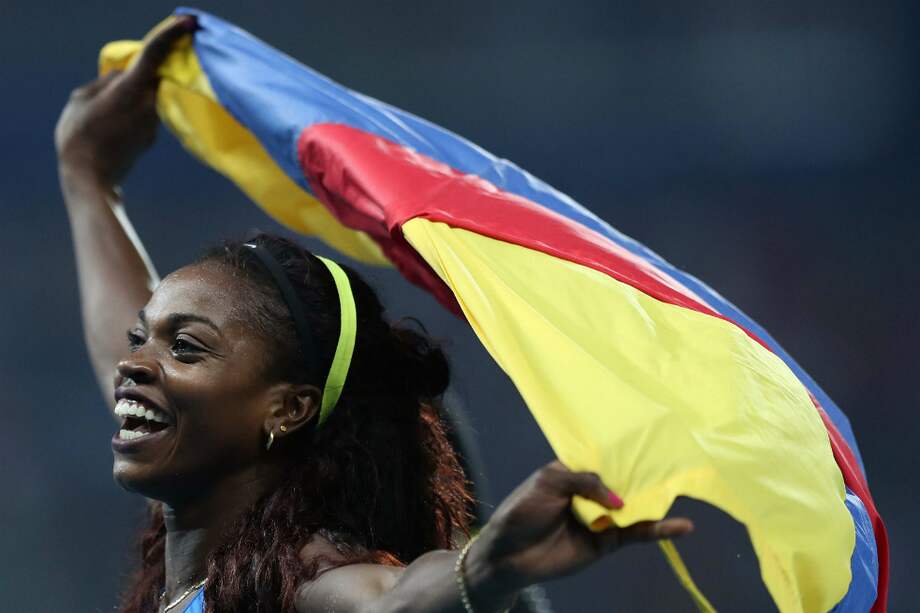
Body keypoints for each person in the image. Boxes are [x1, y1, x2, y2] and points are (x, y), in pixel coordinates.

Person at [55, 16, 693, 613]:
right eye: (142, 338)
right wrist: (86, 174)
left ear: (287, 408)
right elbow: (131, 346)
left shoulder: (303, 575)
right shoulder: (199, 551)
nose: (133, 364)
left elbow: (391, 598)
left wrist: (489, 566)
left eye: (186, 347)